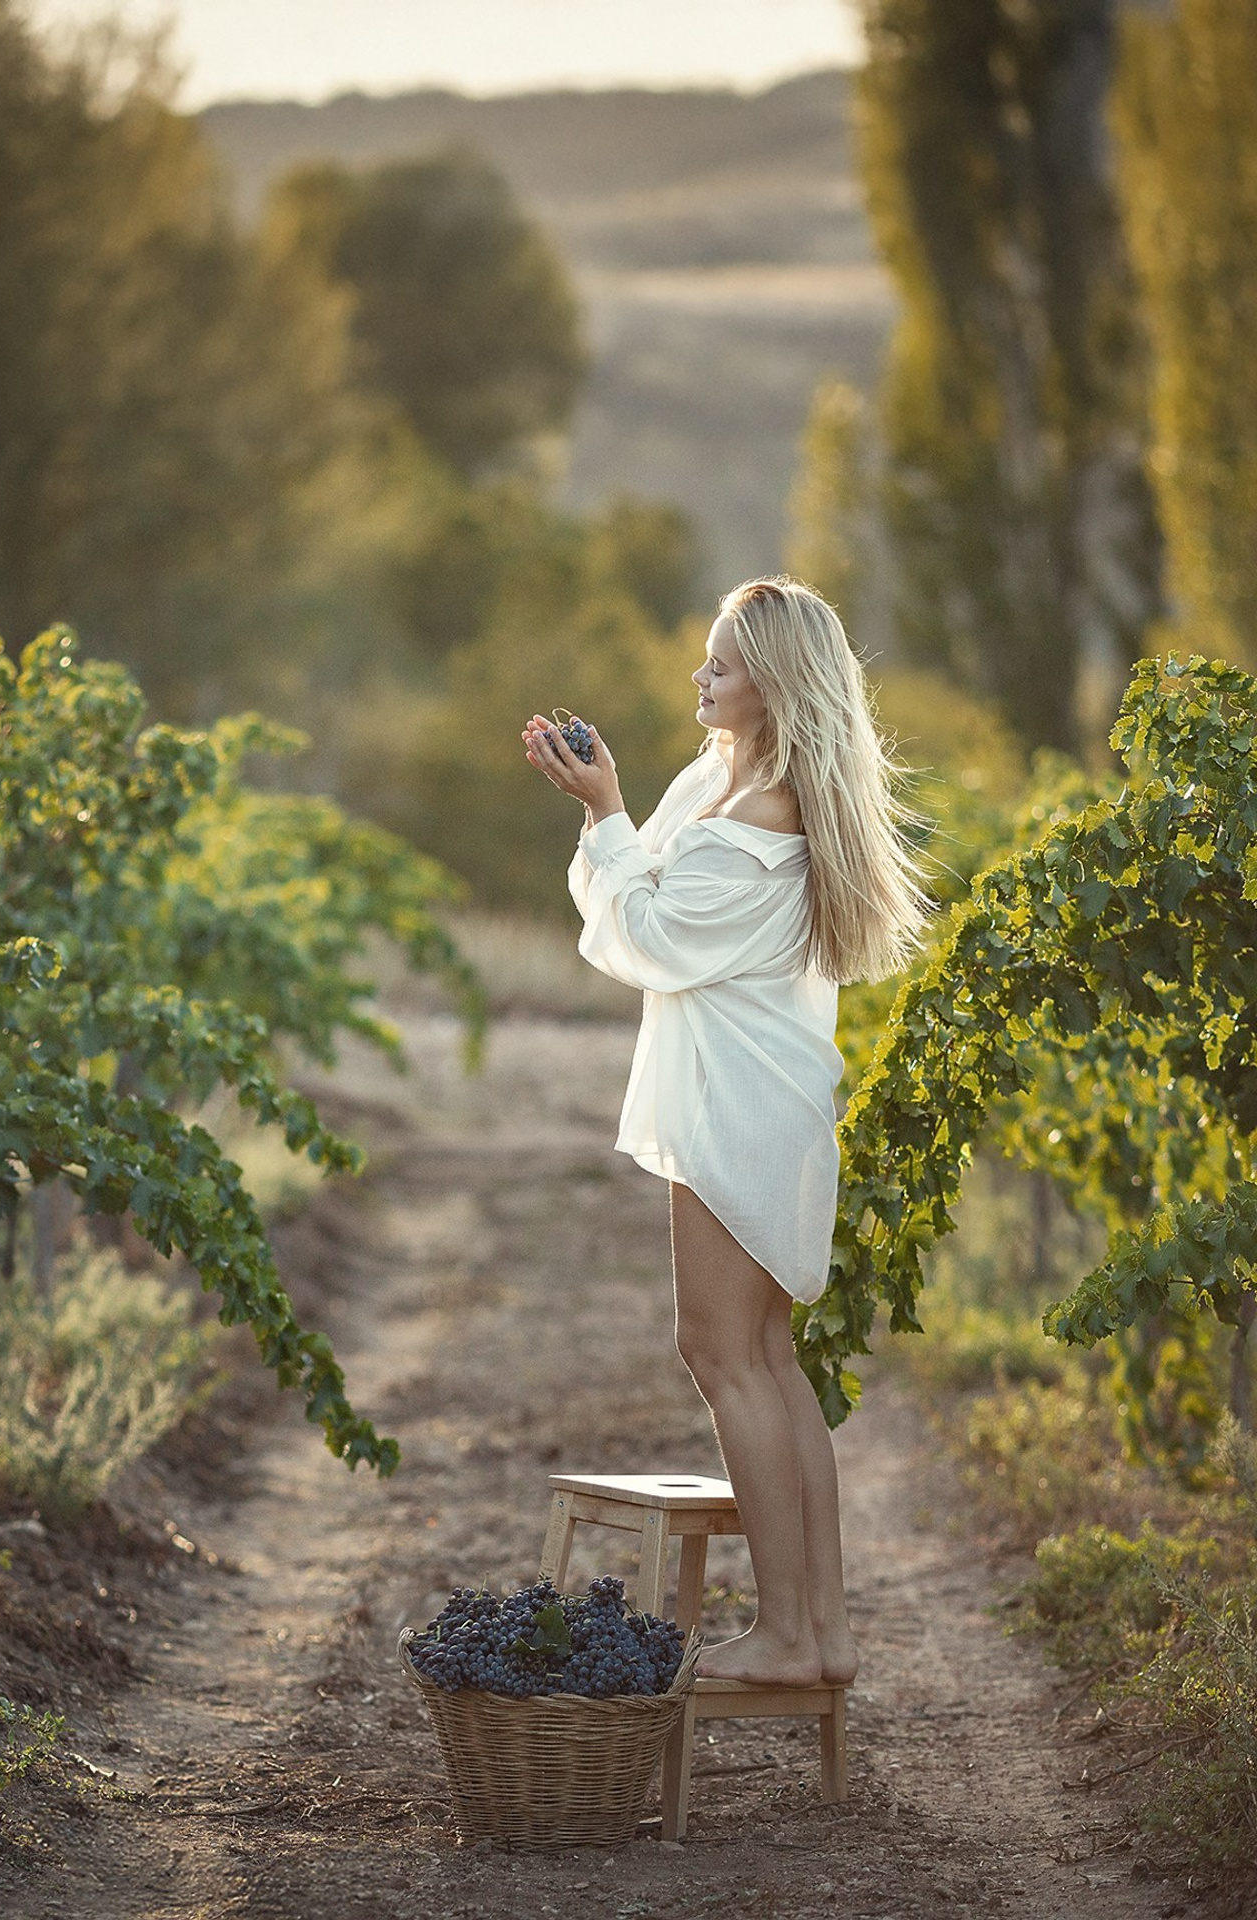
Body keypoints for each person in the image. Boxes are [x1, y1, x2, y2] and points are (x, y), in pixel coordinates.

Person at [522, 575, 929, 1688]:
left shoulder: (756, 825)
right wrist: (604, 810)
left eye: (722, 664)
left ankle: (791, 1634)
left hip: (735, 1110)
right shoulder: (729, 781)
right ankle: (822, 1632)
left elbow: (646, 937)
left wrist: (606, 815)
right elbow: (639, 891)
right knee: (766, 1358)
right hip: (762, 1102)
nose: (700, 675)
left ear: (774, 686)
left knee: (720, 1354)